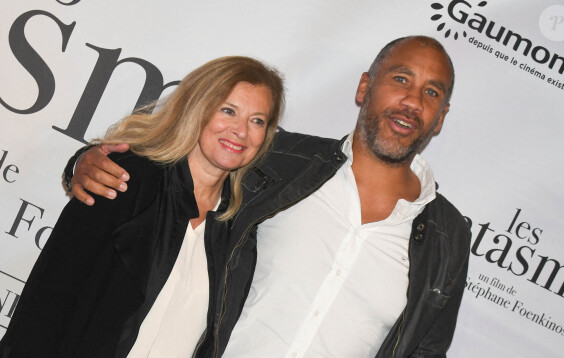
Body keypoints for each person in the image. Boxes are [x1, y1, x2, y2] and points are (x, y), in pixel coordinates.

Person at [61, 36, 471, 357]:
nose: (413, 101)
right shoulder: (280, 159)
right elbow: (176, 163)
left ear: (441, 118)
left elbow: (424, 351)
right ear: (365, 87)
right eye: (401, 79)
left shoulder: (447, 238)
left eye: (432, 92)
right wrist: (87, 161)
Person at [0, 56, 284, 358]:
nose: (241, 130)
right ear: (196, 109)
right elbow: (49, 297)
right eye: (228, 111)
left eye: (257, 120)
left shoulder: (240, 229)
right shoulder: (125, 179)